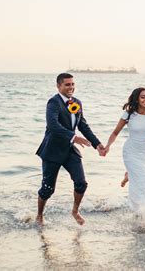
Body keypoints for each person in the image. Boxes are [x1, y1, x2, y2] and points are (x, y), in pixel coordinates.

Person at [35, 73, 105, 225]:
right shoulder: (53, 103)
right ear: (58, 86)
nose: (71, 87)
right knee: (48, 189)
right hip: (52, 150)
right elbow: (53, 125)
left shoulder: (77, 103)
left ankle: (75, 211)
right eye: (67, 84)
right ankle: (39, 215)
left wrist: (97, 144)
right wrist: (74, 137)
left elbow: (83, 126)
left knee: (81, 183)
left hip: (69, 151)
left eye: (72, 84)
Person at [104, 87, 145, 214]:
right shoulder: (129, 114)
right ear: (137, 99)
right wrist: (107, 146)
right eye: (142, 97)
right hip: (131, 151)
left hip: (144, 152)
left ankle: (129, 175)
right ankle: (138, 210)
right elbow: (115, 132)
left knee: (143, 178)